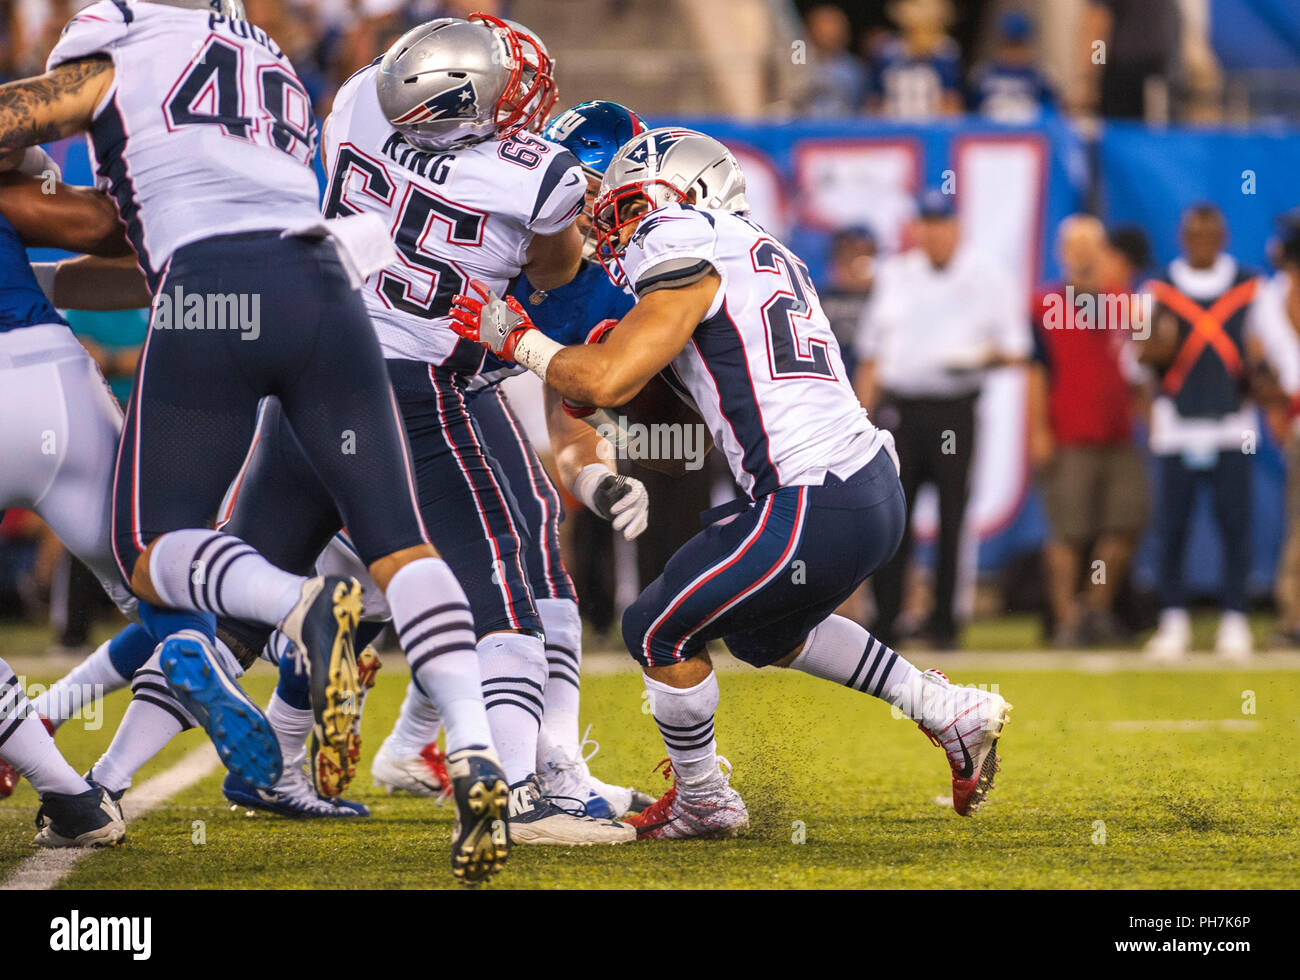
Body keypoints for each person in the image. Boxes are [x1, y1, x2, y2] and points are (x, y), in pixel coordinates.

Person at [0, 0, 509, 883]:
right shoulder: (263, 56)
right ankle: (477, 753)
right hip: (324, 288)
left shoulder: (117, 38)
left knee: (151, 550)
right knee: (399, 544)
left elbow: (41, 136)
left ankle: (290, 610)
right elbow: (116, 226)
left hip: (211, 288)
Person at [449, 127, 1013, 837]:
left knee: (653, 628)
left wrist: (518, 340)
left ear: (684, 197)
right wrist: (603, 389)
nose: (617, 231)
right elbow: (678, 390)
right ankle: (945, 709)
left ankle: (705, 800)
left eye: (628, 208)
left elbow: (611, 376)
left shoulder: (681, 236)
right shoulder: (759, 252)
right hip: (861, 487)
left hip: (813, 498)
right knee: (758, 633)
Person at [855, 189, 1031, 649]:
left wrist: (975, 358)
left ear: (956, 228)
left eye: (941, 224)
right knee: (893, 517)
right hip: (901, 411)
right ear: (916, 229)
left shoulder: (988, 275)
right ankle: (888, 619)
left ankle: (945, 624)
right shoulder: (895, 274)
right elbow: (873, 353)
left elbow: (1016, 350)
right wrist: (859, 416)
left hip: (955, 409)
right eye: (925, 224)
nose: (932, 233)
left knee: (953, 517)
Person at [1139, 204, 1293, 662]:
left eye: (1210, 233)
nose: (1202, 240)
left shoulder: (1252, 288)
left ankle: (1235, 618)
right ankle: (1172, 620)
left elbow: (1271, 358)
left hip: (1232, 426)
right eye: (1193, 233)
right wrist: (1154, 348)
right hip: (1175, 427)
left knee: (1235, 528)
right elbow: (1138, 363)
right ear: (1181, 236)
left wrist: (1262, 378)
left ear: (1223, 236)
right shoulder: (1158, 289)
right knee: (1172, 529)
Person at [1028, 215, 1148, 647]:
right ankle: (1064, 621)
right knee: (1067, 531)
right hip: (1068, 432)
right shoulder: (1043, 305)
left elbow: (1142, 355)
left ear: (1103, 250)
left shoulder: (1122, 301)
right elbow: (1035, 373)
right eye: (1075, 244)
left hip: (1117, 433)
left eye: (1090, 244)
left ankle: (1094, 609)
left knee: (1127, 521)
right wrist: (1038, 430)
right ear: (1062, 252)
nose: (1082, 252)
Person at [967, 10, 1056, 123]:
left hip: (1028, 136)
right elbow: (969, 114)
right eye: (1009, 45)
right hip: (990, 136)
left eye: (1019, 45)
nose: (1013, 52)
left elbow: (1051, 116)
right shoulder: (982, 74)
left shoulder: (1042, 75)